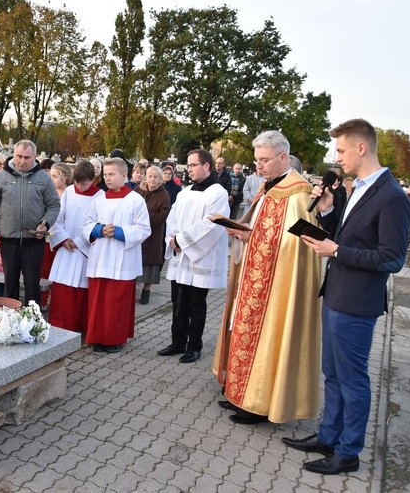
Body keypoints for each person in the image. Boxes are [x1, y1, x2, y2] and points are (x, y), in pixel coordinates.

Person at [285, 118, 410, 475]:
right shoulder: (359, 187)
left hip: (357, 303)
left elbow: (392, 258)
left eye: (340, 150)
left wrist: (337, 251)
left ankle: (348, 452)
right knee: (333, 374)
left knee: (353, 379)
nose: (336, 157)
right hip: (337, 294)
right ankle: (329, 435)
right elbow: (351, 234)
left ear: (361, 147)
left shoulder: (392, 196)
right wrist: (326, 211)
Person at [212, 130, 322, 425]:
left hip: (275, 283)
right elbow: (260, 227)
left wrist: (249, 236)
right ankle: (238, 393)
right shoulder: (267, 188)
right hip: (252, 275)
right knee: (241, 329)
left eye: (264, 160)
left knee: (266, 337)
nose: (258, 166)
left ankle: (256, 404)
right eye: (256, 160)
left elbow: (297, 243)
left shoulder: (298, 192)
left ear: (283, 157)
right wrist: (241, 232)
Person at [159, 149, 229, 363]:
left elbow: (212, 224)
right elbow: (172, 217)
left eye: (192, 165)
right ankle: (177, 342)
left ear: (206, 166)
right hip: (181, 256)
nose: (188, 169)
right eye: (188, 166)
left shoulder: (218, 193)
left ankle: (194, 346)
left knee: (196, 304)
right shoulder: (184, 192)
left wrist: (181, 241)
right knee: (178, 301)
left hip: (200, 257)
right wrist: (172, 238)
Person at [81, 157, 151, 353]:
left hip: (122, 259)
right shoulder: (99, 199)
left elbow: (144, 229)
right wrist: (99, 230)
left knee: (115, 303)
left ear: (123, 175)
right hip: (101, 257)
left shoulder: (135, 199)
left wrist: (119, 232)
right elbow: (85, 225)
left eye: (111, 174)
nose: (108, 178)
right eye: (105, 175)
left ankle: (114, 339)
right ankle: (96, 337)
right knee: (98, 301)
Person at [0, 140, 61, 307]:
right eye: (19, 156)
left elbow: (54, 204)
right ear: (14, 154)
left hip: (34, 241)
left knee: (32, 285)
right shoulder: (1, 177)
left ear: (35, 157)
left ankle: (32, 323)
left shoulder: (43, 178)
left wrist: (46, 223)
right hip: (8, 240)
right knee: (10, 284)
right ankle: (10, 321)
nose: (22, 161)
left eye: (27, 157)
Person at [48, 161, 103, 332]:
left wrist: (79, 242)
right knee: (62, 289)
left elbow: (97, 224)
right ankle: (59, 325)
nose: (80, 186)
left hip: (84, 250)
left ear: (93, 179)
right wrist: (63, 239)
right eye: (77, 182)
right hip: (66, 248)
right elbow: (58, 217)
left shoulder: (100, 196)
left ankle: (79, 327)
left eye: (84, 183)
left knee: (81, 289)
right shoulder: (69, 192)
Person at [135, 166, 170, 305]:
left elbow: (163, 214)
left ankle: (146, 290)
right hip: (138, 233)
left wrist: (145, 217)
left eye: (155, 177)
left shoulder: (164, 194)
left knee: (150, 265)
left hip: (153, 234)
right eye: (150, 176)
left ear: (160, 179)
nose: (152, 179)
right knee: (136, 261)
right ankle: (133, 287)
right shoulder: (139, 190)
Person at [41, 162, 73, 306]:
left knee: (59, 270)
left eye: (54, 176)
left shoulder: (70, 194)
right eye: (50, 176)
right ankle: (42, 301)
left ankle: (56, 300)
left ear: (64, 177)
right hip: (47, 238)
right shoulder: (48, 192)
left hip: (62, 239)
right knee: (45, 271)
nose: (51, 179)